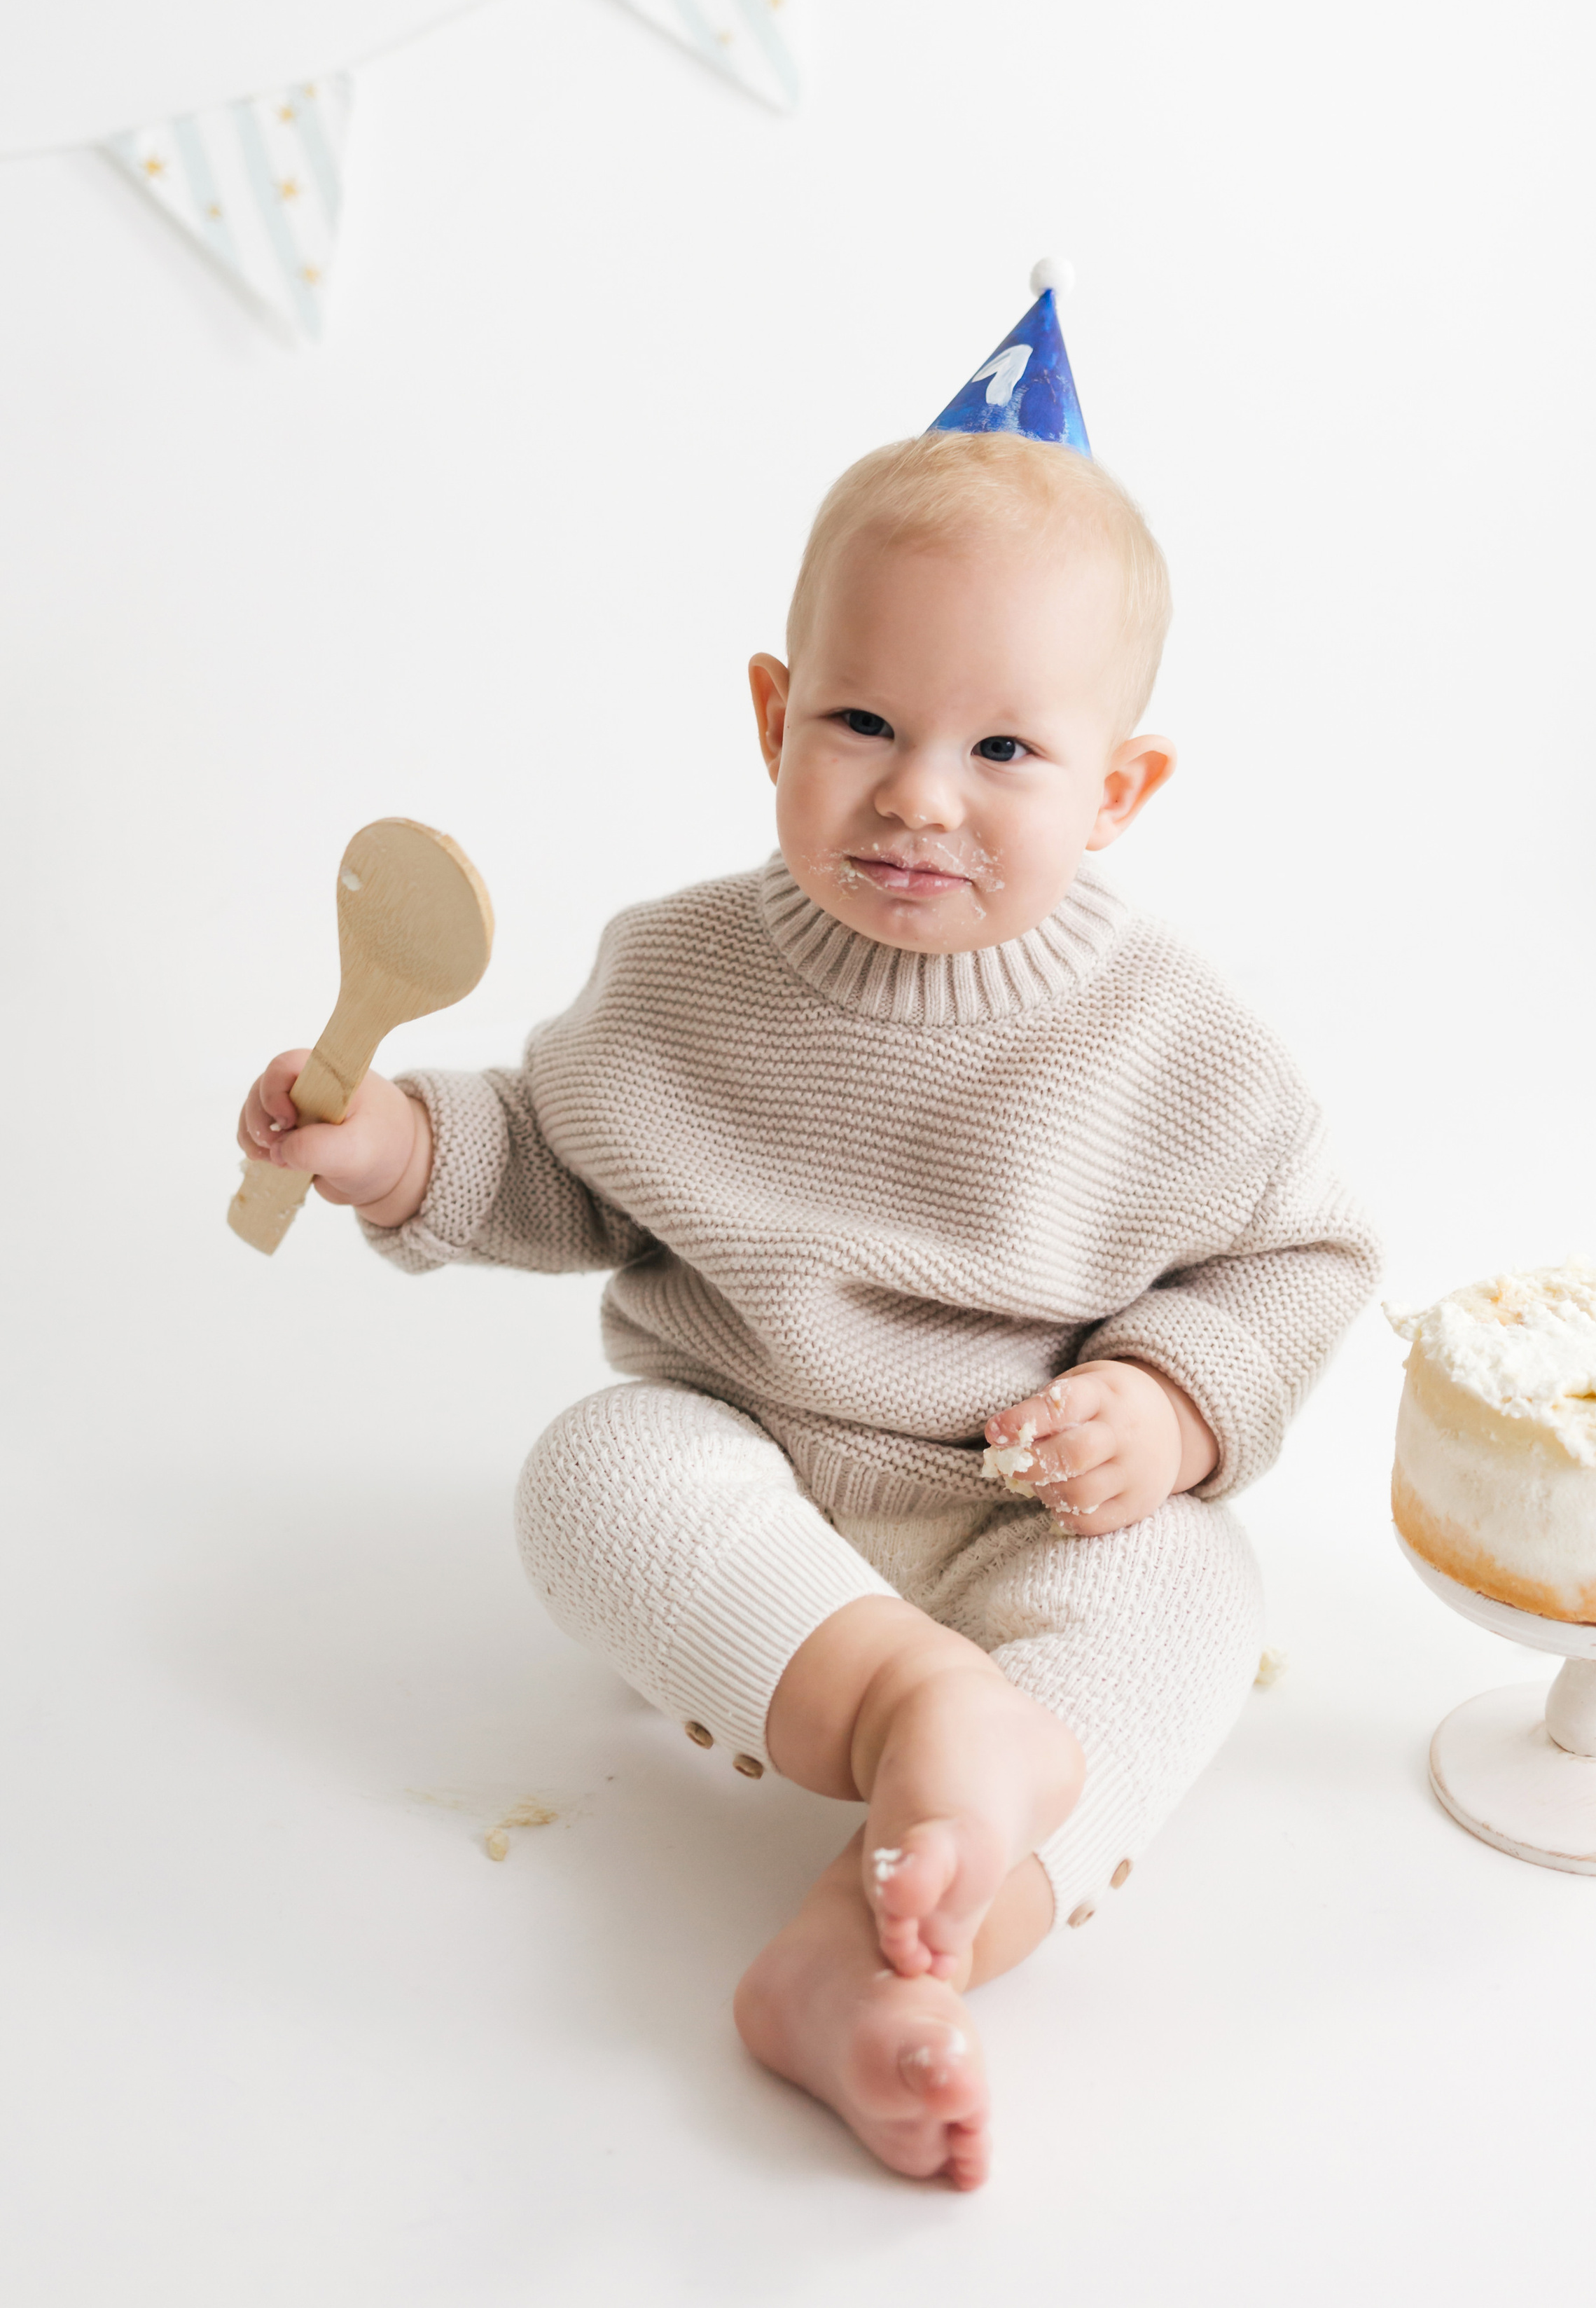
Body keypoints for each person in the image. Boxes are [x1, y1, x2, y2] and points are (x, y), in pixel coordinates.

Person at [237, 266, 1380, 2192]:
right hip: (754, 1485)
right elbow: (560, 1159)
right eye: (862, 718)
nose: (920, 795)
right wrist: (398, 1146)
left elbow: (1306, 1255)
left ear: (1122, 788)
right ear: (774, 710)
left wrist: (1170, 1407)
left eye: (1008, 753)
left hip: (1036, 1506)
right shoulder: (681, 974)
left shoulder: (1179, 1047)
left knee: (1199, 1590)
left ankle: (862, 1963)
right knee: (597, 1464)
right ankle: (924, 1710)